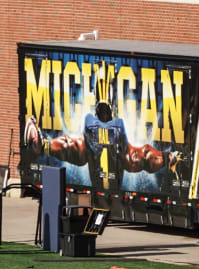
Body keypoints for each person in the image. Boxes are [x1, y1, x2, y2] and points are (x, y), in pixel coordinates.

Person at [24, 61, 181, 193]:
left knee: (81, 146)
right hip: (109, 173)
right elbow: (139, 158)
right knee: (132, 155)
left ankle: (43, 145)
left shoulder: (96, 125)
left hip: (103, 172)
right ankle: (169, 159)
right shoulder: (111, 126)